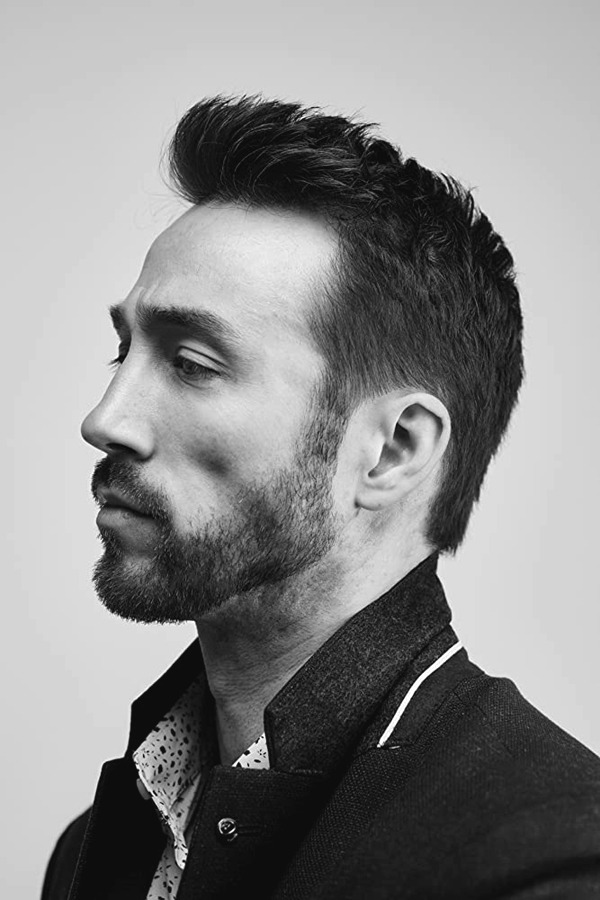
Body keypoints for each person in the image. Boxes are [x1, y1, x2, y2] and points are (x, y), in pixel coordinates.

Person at [42, 95, 600, 900]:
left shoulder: (552, 865)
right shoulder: (96, 852)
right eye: (122, 352)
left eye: (193, 363)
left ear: (394, 450)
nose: (105, 421)